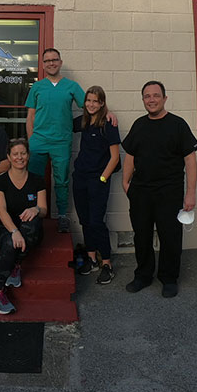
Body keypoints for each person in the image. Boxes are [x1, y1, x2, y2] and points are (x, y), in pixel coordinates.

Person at [121, 80, 197, 298]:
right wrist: (126, 183)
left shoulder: (178, 125)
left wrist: (190, 193)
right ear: (143, 100)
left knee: (170, 237)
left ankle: (169, 278)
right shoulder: (139, 125)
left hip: (169, 191)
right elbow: (130, 155)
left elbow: (190, 161)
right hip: (141, 192)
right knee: (142, 236)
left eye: (156, 95)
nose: (152, 100)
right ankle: (143, 276)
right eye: (147, 96)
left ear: (164, 98)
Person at [24, 48, 86, 233]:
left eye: (54, 60)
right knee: (34, 179)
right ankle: (32, 213)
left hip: (61, 141)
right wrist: (31, 140)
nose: (51, 63)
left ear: (60, 62)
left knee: (62, 180)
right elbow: (30, 116)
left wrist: (107, 113)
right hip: (39, 141)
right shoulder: (37, 87)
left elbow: (90, 106)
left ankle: (62, 216)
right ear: (43, 65)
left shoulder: (71, 86)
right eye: (47, 60)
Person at [0, 138, 47, 315]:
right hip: (5, 227)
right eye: (15, 154)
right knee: (9, 243)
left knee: (33, 222)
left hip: (30, 230)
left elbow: (44, 210)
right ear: (9, 157)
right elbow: (1, 211)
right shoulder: (0, 182)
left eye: (23, 153)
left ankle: (16, 265)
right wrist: (14, 231)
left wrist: (35, 208)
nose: (19, 157)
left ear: (28, 156)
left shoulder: (37, 180)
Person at [71, 85, 120, 285]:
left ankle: (106, 263)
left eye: (95, 101)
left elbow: (115, 157)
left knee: (97, 221)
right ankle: (91, 259)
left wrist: (102, 178)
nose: (91, 104)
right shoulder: (83, 121)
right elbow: (60, 123)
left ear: (102, 103)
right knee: (85, 220)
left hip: (98, 180)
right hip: (80, 177)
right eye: (88, 100)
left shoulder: (108, 123)